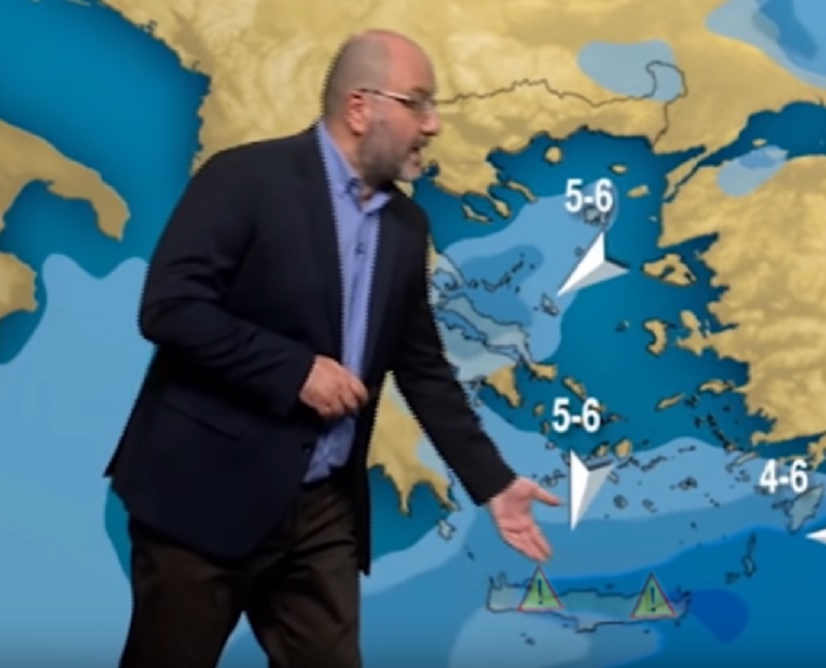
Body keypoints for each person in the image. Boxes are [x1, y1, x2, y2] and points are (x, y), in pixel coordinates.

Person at [104, 29, 561, 668]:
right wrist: (294, 371)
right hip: (203, 499)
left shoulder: (407, 226)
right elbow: (170, 307)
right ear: (360, 107)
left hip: (321, 513)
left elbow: (422, 368)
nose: (432, 125)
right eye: (417, 103)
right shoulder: (245, 178)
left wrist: (494, 484)